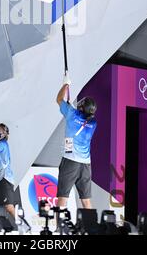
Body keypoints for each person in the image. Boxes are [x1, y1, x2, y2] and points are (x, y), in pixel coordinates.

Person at [56, 80, 97, 209]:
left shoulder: (72, 114)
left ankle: (59, 227)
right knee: (86, 200)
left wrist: (65, 85)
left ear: (81, 106)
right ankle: (92, 228)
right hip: (85, 164)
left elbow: (58, 99)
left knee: (63, 197)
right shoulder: (93, 122)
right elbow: (80, 116)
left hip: (70, 161)